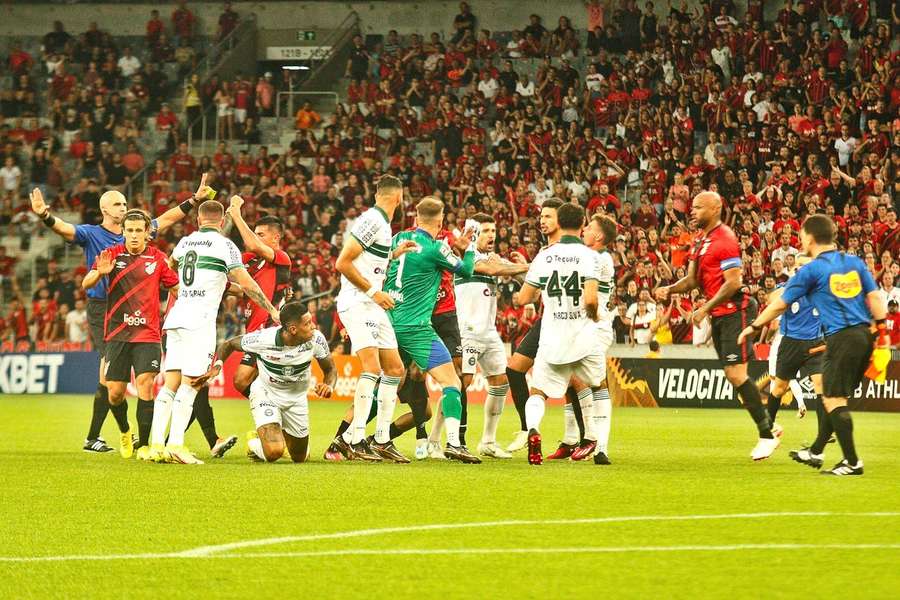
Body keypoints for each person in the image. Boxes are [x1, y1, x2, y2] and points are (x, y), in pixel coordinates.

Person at [29, 179, 199, 453]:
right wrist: (46, 216)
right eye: (118, 204)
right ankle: (116, 432)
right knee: (109, 382)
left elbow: (167, 218)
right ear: (106, 210)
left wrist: (195, 199)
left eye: (124, 203)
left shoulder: (139, 230)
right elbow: (65, 229)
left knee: (132, 382)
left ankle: (116, 439)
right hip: (104, 307)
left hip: (142, 315)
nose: (124, 207)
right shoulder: (92, 235)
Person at [739, 215, 887, 476]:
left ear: (809, 238)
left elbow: (779, 303)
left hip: (839, 338)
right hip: (865, 337)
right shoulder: (853, 262)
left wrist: (753, 326)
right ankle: (818, 451)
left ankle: (851, 462)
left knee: (833, 400)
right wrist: (883, 331)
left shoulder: (811, 270)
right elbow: (874, 296)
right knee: (834, 399)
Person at [148, 198, 280, 465]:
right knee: (193, 383)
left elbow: (170, 270)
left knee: (169, 384)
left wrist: (205, 287)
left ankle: (155, 446)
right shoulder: (225, 245)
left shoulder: (184, 243)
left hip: (175, 318)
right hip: (199, 322)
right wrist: (272, 309)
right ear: (221, 222)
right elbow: (248, 283)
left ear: (198, 220)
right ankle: (176, 446)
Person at [654, 191, 778, 461]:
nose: (692, 211)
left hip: (736, 310)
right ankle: (768, 423)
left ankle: (767, 434)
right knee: (734, 376)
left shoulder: (726, 239)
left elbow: (733, 282)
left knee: (736, 375)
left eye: (698, 207)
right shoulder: (701, 240)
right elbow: (692, 280)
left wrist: (704, 308)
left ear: (715, 209)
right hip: (720, 314)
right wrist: (670, 289)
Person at [326, 175, 419, 463]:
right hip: (359, 302)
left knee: (394, 368)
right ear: (399, 197)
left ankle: (380, 440)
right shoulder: (372, 220)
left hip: (372, 304)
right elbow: (343, 262)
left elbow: (368, 260)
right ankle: (352, 440)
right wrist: (373, 292)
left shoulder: (382, 225)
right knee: (372, 368)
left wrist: (393, 252)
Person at [383, 196, 480, 462]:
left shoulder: (397, 238)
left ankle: (358, 438)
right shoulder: (436, 247)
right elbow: (468, 270)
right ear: (440, 220)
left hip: (388, 321)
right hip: (416, 329)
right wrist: (468, 247)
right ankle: (453, 443)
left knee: (385, 383)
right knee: (452, 383)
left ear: (416, 217)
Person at [82, 210, 178, 459]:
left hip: (147, 334)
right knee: (114, 393)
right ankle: (125, 431)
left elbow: (176, 287)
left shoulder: (158, 258)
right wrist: (100, 273)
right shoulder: (111, 255)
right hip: (117, 334)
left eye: (139, 230)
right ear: (123, 232)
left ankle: (144, 446)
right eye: (130, 230)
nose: (134, 235)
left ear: (148, 233)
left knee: (145, 385)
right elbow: (86, 283)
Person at [514, 203, 602, 465]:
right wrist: (594, 314)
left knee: (538, 392)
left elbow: (523, 298)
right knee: (587, 384)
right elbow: (590, 299)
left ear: (560, 224)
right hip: (580, 335)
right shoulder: (589, 256)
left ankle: (533, 430)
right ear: (583, 224)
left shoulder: (544, 256)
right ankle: (592, 437)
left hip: (551, 335)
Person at [197, 302, 336, 463]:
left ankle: (270, 436)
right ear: (293, 329)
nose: (313, 326)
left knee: (300, 457)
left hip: (297, 400)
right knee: (274, 453)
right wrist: (218, 365)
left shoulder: (316, 339)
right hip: (266, 394)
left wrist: (329, 385)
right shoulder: (264, 338)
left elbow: (330, 369)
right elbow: (229, 344)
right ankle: (255, 445)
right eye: (307, 323)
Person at [454, 213, 529, 458]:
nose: (492, 235)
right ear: (474, 233)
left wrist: (524, 270)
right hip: (467, 331)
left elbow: (530, 290)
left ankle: (487, 441)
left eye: (494, 231)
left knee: (500, 382)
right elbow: (493, 268)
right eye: (486, 231)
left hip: (489, 332)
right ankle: (436, 439)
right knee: (458, 385)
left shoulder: (495, 260)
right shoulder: (466, 257)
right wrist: (528, 266)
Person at [576, 213, 618, 465]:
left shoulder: (598, 258)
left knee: (597, 382)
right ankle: (585, 438)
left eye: (589, 228)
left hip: (595, 325)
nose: (584, 230)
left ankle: (599, 444)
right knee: (576, 380)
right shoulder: (594, 256)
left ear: (599, 236)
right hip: (583, 325)